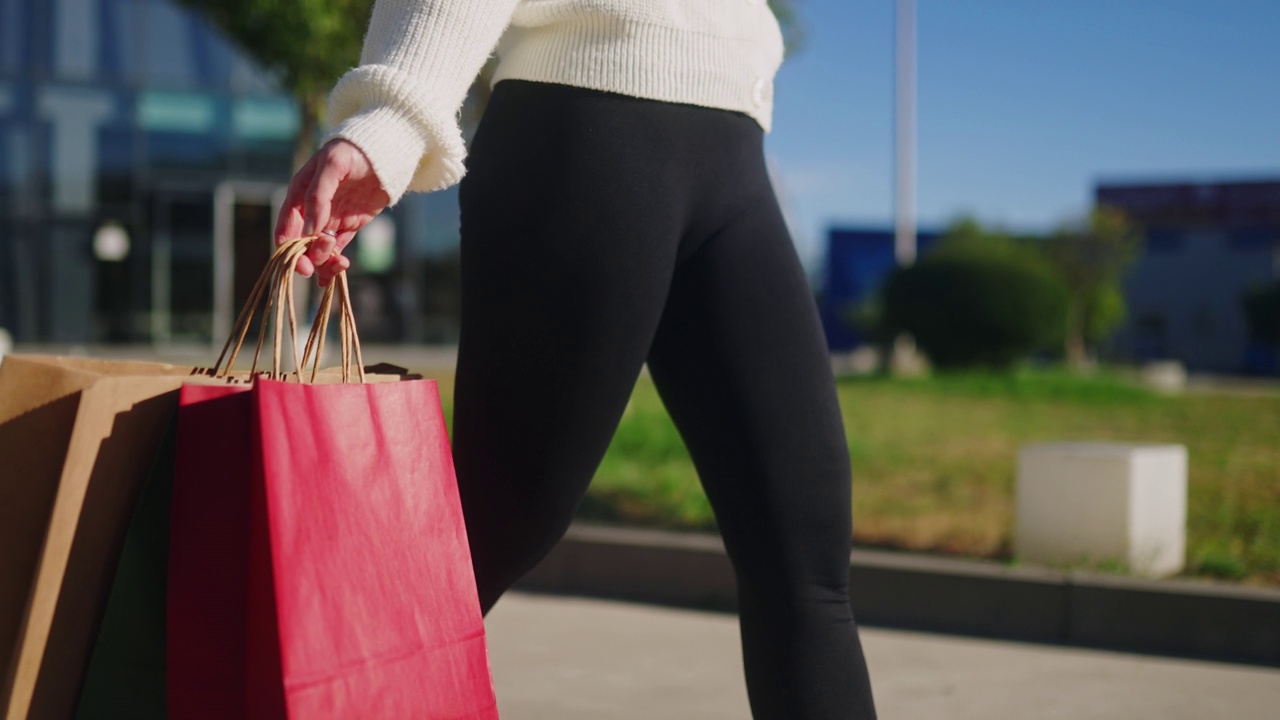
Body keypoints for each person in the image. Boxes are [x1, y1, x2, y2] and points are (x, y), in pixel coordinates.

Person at [274, 1, 878, 717]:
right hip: (586, 132)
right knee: (487, 533)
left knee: (804, 562)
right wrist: (391, 117)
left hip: (737, 153)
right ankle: (248, 680)